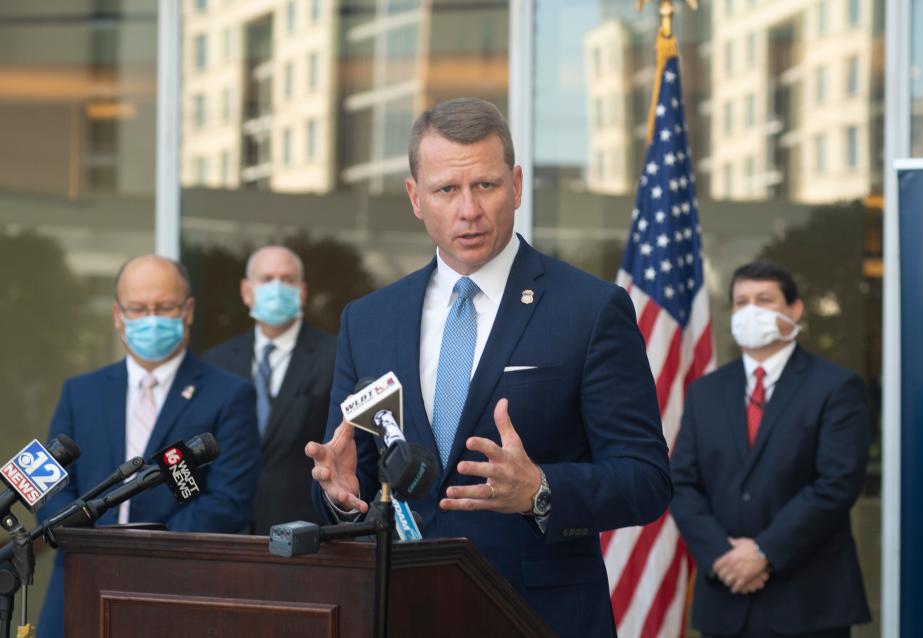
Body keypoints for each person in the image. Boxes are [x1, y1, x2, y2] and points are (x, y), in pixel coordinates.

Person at [304, 97, 672, 637]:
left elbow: (646, 479)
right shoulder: (369, 321)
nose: (468, 210)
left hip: (537, 618)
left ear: (517, 186)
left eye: (485, 185)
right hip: (402, 613)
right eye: (446, 190)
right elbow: (350, 474)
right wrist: (337, 496)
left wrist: (540, 490)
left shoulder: (590, 310)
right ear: (415, 197)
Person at [37, 255, 260, 638]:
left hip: (177, 588)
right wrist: (91, 545)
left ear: (188, 311)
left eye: (164, 307)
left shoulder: (229, 396)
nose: (151, 318)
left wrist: (150, 552)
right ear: (118, 315)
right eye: (138, 309)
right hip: (78, 583)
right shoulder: (81, 392)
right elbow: (51, 486)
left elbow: (228, 501)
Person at [671, 261, 871, 638]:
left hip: (809, 602)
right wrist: (721, 556)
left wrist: (762, 552)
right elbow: (681, 483)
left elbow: (837, 483)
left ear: (794, 310)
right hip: (725, 596)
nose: (751, 311)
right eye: (741, 301)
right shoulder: (705, 391)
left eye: (764, 299)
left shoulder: (836, 387)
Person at [204, 245, 337, 534]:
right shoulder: (217, 361)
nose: (277, 287)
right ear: (246, 291)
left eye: (287, 280)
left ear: (302, 291)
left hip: (301, 532)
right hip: (225, 530)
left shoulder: (335, 357)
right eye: (266, 279)